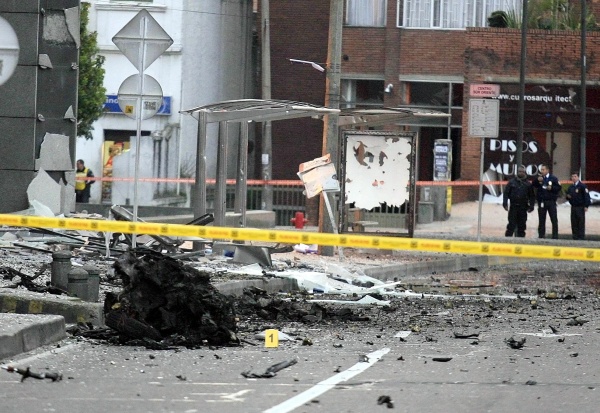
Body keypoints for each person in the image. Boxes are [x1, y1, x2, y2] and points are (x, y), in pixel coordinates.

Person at [503, 165, 535, 237]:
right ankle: (507, 241)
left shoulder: (528, 184)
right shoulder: (511, 182)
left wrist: (531, 206)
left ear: (525, 173)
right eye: (519, 171)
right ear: (517, 172)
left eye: (522, 172)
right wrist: (505, 203)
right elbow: (506, 193)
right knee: (511, 225)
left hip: (523, 207)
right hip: (513, 207)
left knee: (522, 226)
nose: (521, 173)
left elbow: (532, 196)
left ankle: (520, 241)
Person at [532, 164, 561, 239]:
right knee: (541, 219)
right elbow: (533, 185)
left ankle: (555, 236)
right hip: (542, 202)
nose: (542, 171)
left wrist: (551, 188)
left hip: (551, 201)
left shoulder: (553, 178)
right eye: (541, 170)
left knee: (554, 219)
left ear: (547, 170)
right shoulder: (540, 178)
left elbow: (558, 188)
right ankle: (541, 235)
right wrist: (537, 180)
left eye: (543, 169)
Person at [566, 172, 591, 240]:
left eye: (575, 176)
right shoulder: (571, 187)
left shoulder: (582, 186)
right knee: (574, 222)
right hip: (573, 207)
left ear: (577, 177)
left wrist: (586, 206)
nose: (573, 178)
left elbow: (587, 196)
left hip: (580, 207)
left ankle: (581, 237)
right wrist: (568, 197)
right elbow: (568, 196)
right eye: (572, 176)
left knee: (580, 223)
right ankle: (575, 237)